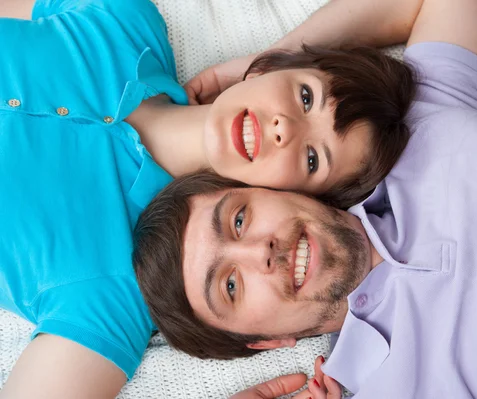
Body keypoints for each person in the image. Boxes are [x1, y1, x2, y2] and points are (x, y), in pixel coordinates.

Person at [132, 0, 477, 397]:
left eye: (238, 221)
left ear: (266, 188)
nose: (261, 252)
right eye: (231, 286)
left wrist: (267, 65)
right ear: (266, 342)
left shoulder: (413, 123)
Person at [0, 0, 419, 397]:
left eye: (311, 159)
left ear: (302, 198)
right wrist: (272, 58)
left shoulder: (114, 290)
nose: (283, 128)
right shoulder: (125, 21)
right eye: (306, 97)